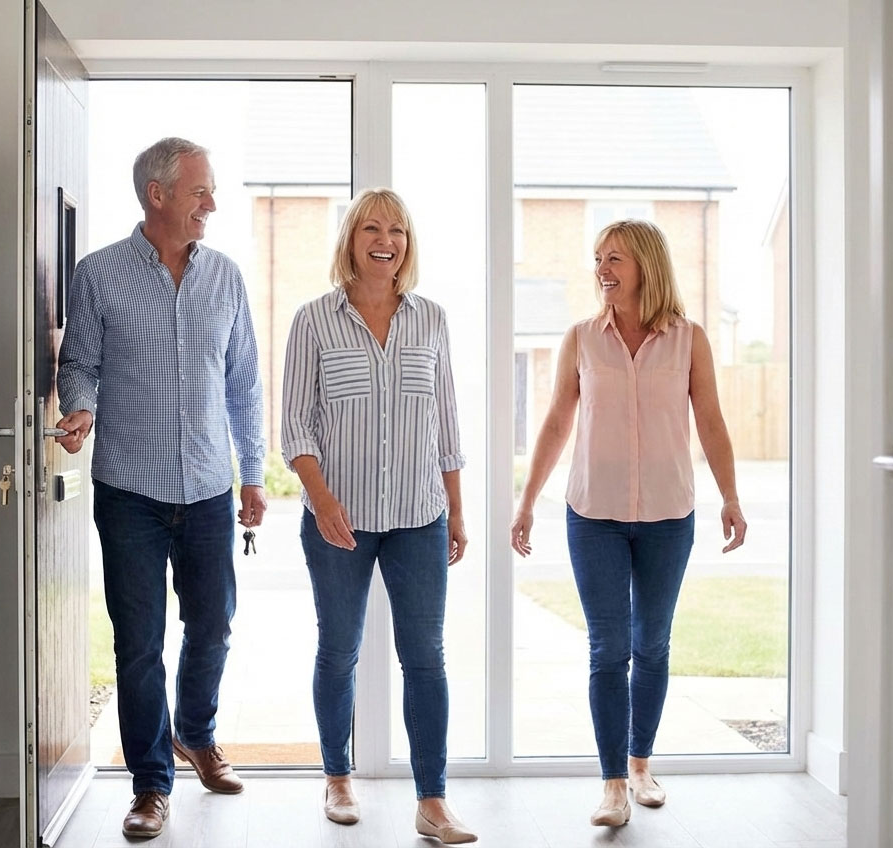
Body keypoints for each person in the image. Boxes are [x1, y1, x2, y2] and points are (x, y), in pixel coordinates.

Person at [54, 137, 267, 839]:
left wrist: (253, 473)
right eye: (201, 191)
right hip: (129, 491)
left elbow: (243, 383)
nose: (212, 204)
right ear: (158, 194)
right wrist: (80, 408)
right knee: (138, 643)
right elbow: (79, 362)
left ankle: (195, 734)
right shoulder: (98, 274)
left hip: (207, 488)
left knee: (213, 624)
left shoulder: (225, 277)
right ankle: (150, 784)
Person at [510, 219, 748, 828]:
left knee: (653, 643)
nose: (602, 269)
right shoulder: (581, 339)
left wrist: (730, 496)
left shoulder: (689, 339)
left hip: (669, 515)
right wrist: (527, 500)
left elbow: (711, 421)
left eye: (614, 258)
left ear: (646, 263)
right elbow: (556, 421)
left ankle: (641, 764)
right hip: (595, 516)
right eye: (597, 258)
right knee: (608, 648)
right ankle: (612, 782)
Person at [280, 188, 477, 845]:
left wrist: (456, 510)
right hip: (338, 520)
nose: (384, 240)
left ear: (407, 244)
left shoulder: (431, 320)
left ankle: (433, 800)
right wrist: (323, 500)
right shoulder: (314, 320)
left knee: (425, 657)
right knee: (339, 650)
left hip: (419, 516)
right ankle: (337, 778)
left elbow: (446, 423)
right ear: (351, 239)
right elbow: (296, 426)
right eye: (371, 228)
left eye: (396, 230)